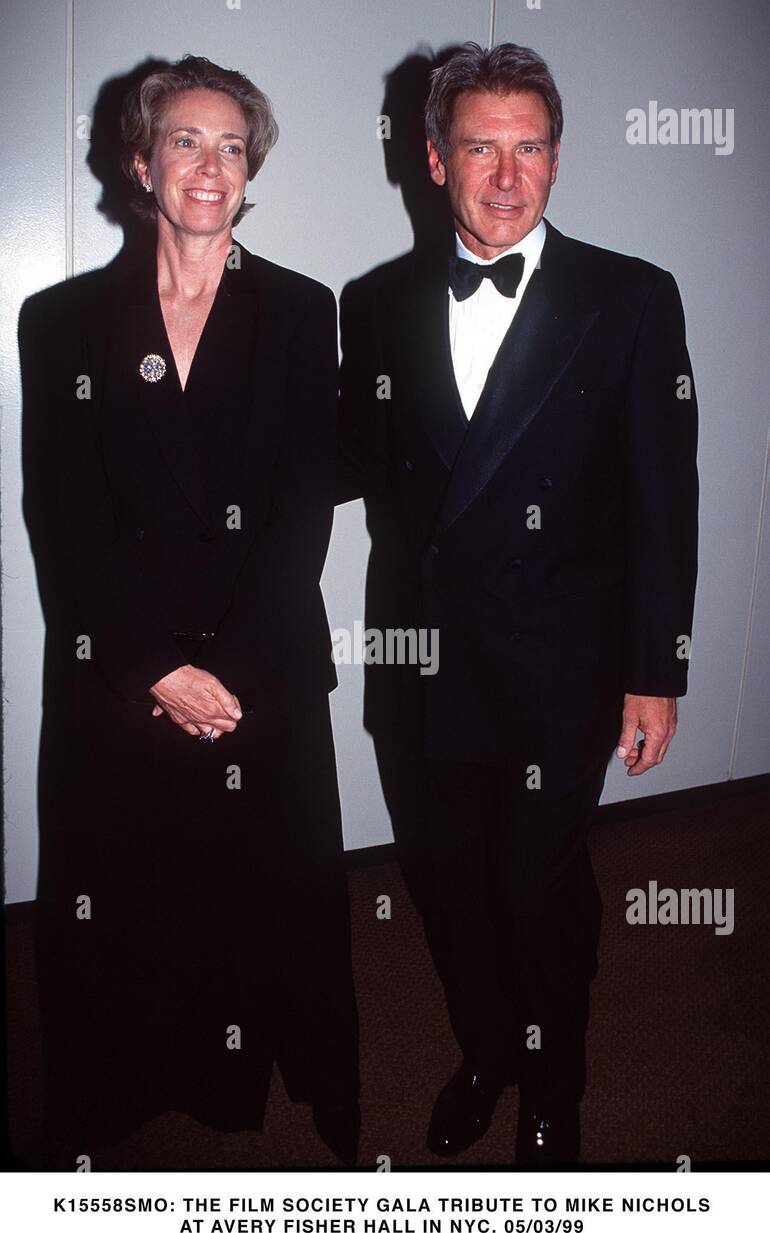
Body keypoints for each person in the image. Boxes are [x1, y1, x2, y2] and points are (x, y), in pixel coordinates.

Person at [337, 42, 698, 1165]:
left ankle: (553, 1084)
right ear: (434, 159)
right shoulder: (376, 300)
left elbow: (662, 496)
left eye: (528, 146)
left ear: (554, 156)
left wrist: (654, 668)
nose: (505, 176)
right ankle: (485, 1050)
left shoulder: (630, 297)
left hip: (559, 666)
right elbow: (348, 461)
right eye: (479, 148)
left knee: (535, 888)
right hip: (423, 661)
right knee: (444, 883)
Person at [19, 54, 359, 1167]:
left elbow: (303, 503)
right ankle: (119, 1084)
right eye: (183, 141)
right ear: (137, 160)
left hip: (260, 667)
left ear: (249, 168)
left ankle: (290, 1086)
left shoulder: (305, 312)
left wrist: (236, 672)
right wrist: (153, 666)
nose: (208, 166)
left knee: (275, 895)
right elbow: (59, 511)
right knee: (121, 895)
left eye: (230, 146)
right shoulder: (60, 321)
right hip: (123, 671)